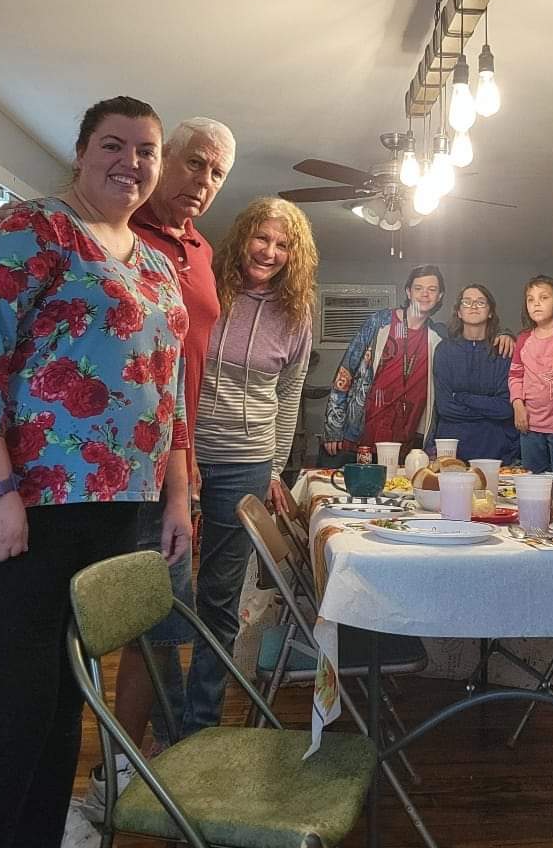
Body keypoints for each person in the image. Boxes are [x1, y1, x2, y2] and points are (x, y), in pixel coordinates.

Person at [0, 96, 190, 848]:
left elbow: (170, 389)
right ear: (82, 150)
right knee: (16, 716)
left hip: (118, 507)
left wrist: (177, 499)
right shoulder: (30, 228)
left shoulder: (157, 265)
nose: (132, 162)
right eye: (114, 145)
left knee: (67, 707)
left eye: (147, 150)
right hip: (23, 507)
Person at [76, 115, 236, 825]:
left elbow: (182, 368)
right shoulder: (116, 228)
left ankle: (125, 767)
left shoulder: (200, 250)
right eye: (195, 163)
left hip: (171, 462)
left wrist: (185, 469)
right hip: (93, 464)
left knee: (159, 621)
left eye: (217, 173)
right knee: (95, 624)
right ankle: (98, 771)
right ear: (164, 158)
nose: (204, 181)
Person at [181, 196, 316, 735]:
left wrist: (275, 468)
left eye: (283, 245)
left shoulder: (297, 313)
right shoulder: (206, 289)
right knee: (167, 593)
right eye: (262, 238)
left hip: (247, 461)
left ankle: (200, 723)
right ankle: (163, 720)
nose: (270, 251)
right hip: (184, 457)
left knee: (218, 595)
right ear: (243, 238)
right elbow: (175, 369)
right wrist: (181, 451)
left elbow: (289, 394)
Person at [322, 266, 513, 463]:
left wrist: (504, 334)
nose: (424, 294)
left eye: (432, 289)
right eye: (418, 288)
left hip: (408, 439)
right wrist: (333, 426)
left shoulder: (439, 335)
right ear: (408, 292)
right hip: (361, 430)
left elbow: (473, 331)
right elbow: (345, 371)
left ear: (440, 296)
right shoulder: (380, 322)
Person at [428, 284, 518, 463]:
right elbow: (445, 407)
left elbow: (505, 408)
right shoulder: (445, 350)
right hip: (453, 449)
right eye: (467, 302)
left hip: (497, 449)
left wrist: (462, 397)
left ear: (490, 312)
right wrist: (487, 406)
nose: (474, 306)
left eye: (480, 302)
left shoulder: (503, 350)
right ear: (459, 312)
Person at [509, 275, 553, 477]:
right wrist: (518, 405)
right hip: (530, 425)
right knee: (532, 480)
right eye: (531, 299)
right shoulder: (524, 339)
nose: (536, 303)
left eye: (544, 297)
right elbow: (515, 375)